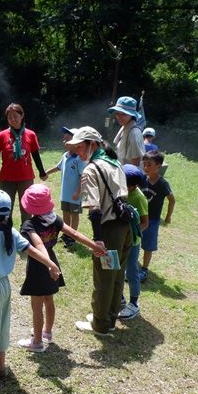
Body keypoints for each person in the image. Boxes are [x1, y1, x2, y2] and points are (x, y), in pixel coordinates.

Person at [0, 189, 60, 384]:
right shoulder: (11, 232)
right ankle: (0, 367)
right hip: (4, 286)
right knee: (1, 326)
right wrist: (51, 264)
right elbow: (32, 250)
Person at [17, 184, 106, 352]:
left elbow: (38, 245)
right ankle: (47, 332)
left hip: (39, 266)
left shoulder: (29, 224)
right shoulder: (54, 219)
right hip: (52, 262)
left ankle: (36, 342)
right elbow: (75, 234)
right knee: (49, 300)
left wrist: (48, 265)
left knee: (37, 305)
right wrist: (94, 246)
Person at [65, 127, 133, 336]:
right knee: (117, 275)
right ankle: (110, 317)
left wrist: (98, 240)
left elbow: (94, 209)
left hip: (109, 230)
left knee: (104, 278)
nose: (77, 151)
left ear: (92, 145)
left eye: (80, 146)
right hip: (125, 226)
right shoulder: (115, 163)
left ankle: (100, 324)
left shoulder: (91, 170)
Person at [0, 103, 48, 224]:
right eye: (10, 117)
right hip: (7, 179)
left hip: (26, 178)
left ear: (22, 116)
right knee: (4, 209)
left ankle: (26, 235)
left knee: (26, 209)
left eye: (15, 116)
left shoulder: (31, 134)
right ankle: (5, 234)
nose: (13, 119)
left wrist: (42, 172)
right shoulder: (2, 135)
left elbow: (35, 155)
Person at [45, 126, 87, 247]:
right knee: (66, 214)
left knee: (74, 215)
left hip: (75, 195)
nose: (64, 142)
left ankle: (73, 236)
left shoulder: (79, 159)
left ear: (76, 143)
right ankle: (66, 233)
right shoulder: (65, 156)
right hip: (65, 193)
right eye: (64, 139)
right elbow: (58, 167)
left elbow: (82, 176)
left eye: (67, 139)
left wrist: (77, 192)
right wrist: (47, 172)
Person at [118, 165, 149, 321]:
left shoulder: (139, 197)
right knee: (118, 269)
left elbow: (145, 223)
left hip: (132, 242)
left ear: (134, 185)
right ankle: (120, 298)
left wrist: (133, 234)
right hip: (119, 239)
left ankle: (134, 304)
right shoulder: (120, 192)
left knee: (131, 273)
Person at [139, 150, 175, 282]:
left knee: (148, 246)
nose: (146, 167)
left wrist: (168, 216)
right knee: (134, 241)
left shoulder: (162, 184)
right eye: (144, 164)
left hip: (152, 220)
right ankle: (131, 264)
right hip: (139, 217)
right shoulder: (142, 179)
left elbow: (172, 199)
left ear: (159, 166)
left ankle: (144, 269)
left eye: (149, 165)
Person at [109, 96, 145, 167]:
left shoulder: (133, 133)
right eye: (117, 113)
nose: (119, 117)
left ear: (132, 115)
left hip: (130, 175)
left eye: (123, 114)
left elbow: (136, 160)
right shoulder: (124, 128)